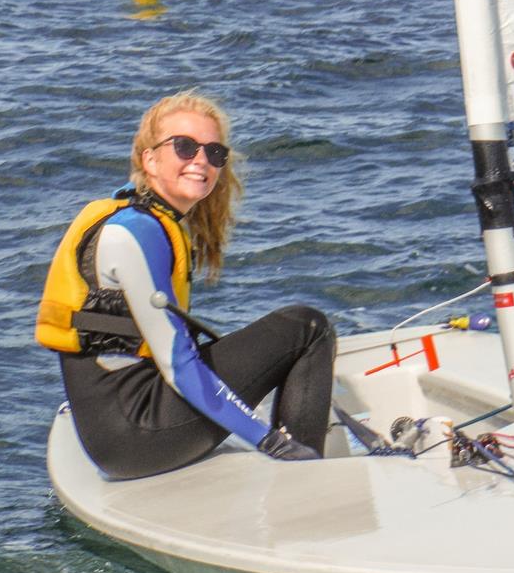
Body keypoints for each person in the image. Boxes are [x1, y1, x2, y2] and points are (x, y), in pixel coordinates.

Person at [36, 91, 336, 480]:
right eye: (184, 147)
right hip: (136, 434)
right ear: (150, 159)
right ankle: (306, 478)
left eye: (214, 153)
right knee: (307, 327)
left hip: (118, 428)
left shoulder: (149, 221)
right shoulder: (135, 233)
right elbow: (177, 365)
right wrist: (267, 440)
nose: (201, 161)